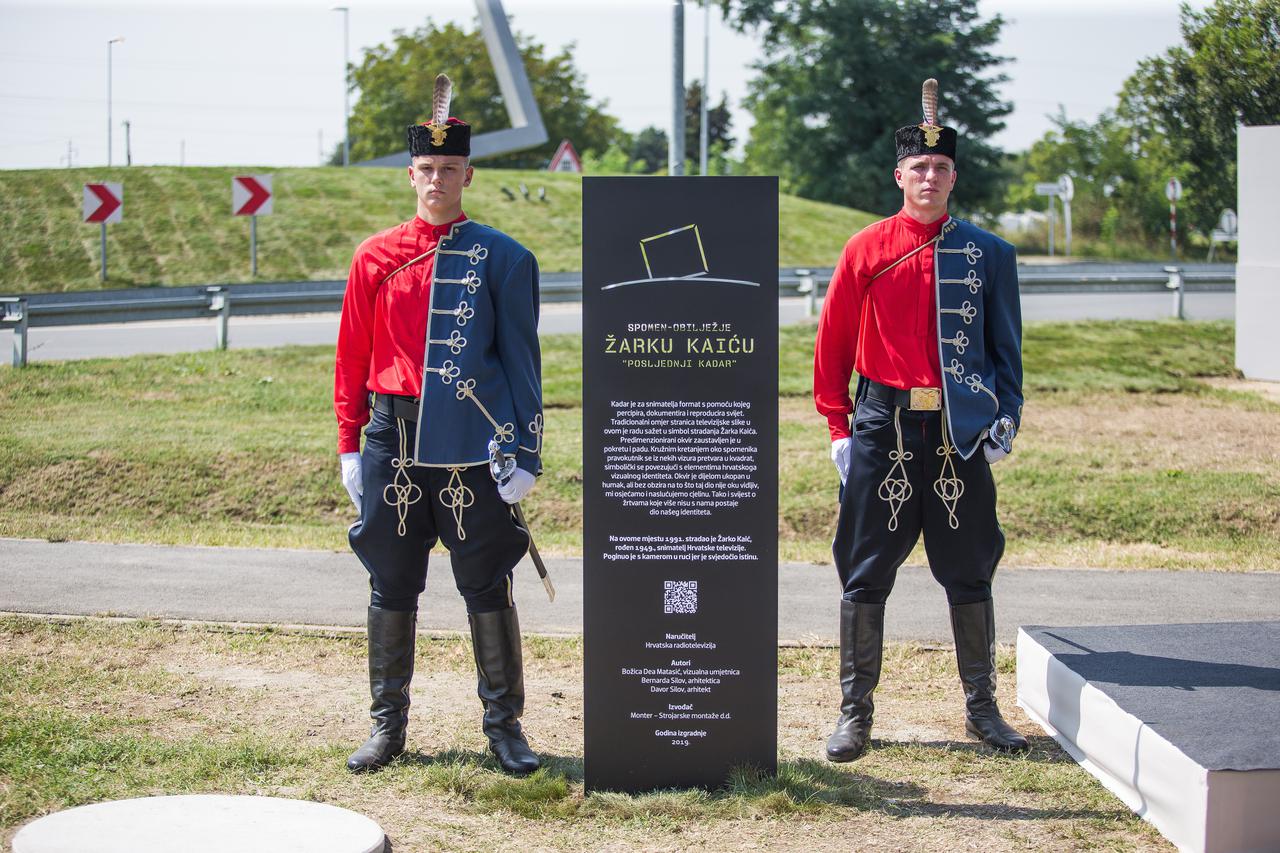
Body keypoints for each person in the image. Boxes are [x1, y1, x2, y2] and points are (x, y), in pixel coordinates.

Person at [812, 78, 1028, 761]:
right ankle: (855, 712)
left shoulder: (989, 254)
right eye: (918, 167)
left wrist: (1006, 417)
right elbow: (833, 344)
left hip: (958, 429)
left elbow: (1005, 348)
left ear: (953, 175)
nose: (929, 177)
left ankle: (982, 708)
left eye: (940, 167)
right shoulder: (866, 248)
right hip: (884, 423)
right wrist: (839, 427)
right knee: (865, 569)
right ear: (898, 174)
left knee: (969, 568)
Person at [334, 74, 544, 775]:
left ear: (468, 174)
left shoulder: (505, 258)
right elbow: (352, 357)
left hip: (468, 443)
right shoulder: (374, 257)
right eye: (426, 170)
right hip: (392, 436)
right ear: (411, 173)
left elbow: (520, 365)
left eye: (449, 169)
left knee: (486, 583)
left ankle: (504, 727)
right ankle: (386, 726)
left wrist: (526, 452)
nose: (436, 181)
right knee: (391, 583)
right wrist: (348, 442)